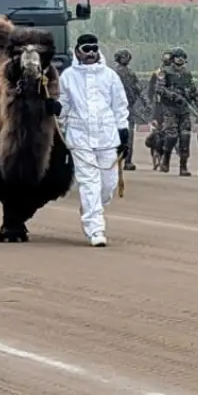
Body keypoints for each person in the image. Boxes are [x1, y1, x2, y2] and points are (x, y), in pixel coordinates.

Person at [58, 34, 130, 247]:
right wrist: (57, 113)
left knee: (108, 184)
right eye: (86, 49)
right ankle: (95, 229)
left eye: (93, 49)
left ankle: (92, 206)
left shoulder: (110, 76)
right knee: (89, 182)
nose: (90, 53)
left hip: (107, 136)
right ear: (78, 51)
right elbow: (63, 105)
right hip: (80, 138)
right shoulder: (68, 77)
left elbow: (120, 105)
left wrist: (123, 130)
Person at [153, 46, 198, 175]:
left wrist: (194, 98)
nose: (180, 59)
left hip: (184, 109)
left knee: (185, 136)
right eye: (178, 57)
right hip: (170, 108)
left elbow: (193, 89)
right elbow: (159, 89)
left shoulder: (187, 74)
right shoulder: (165, 72)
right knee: (171, 136)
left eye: (183, 57)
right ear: (173, 59)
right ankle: (166, 159)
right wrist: (172, 95)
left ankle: (183, 166)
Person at [111, 48, 143, 171]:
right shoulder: (113, 74)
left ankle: (128, 161)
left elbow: (138, 88)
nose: (126, 59)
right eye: (123, 57)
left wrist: (144, 102)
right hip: (115, 107)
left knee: (129, 135)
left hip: (129, 107)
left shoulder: (131, 73)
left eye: (127, 57)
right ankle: (115, 160)